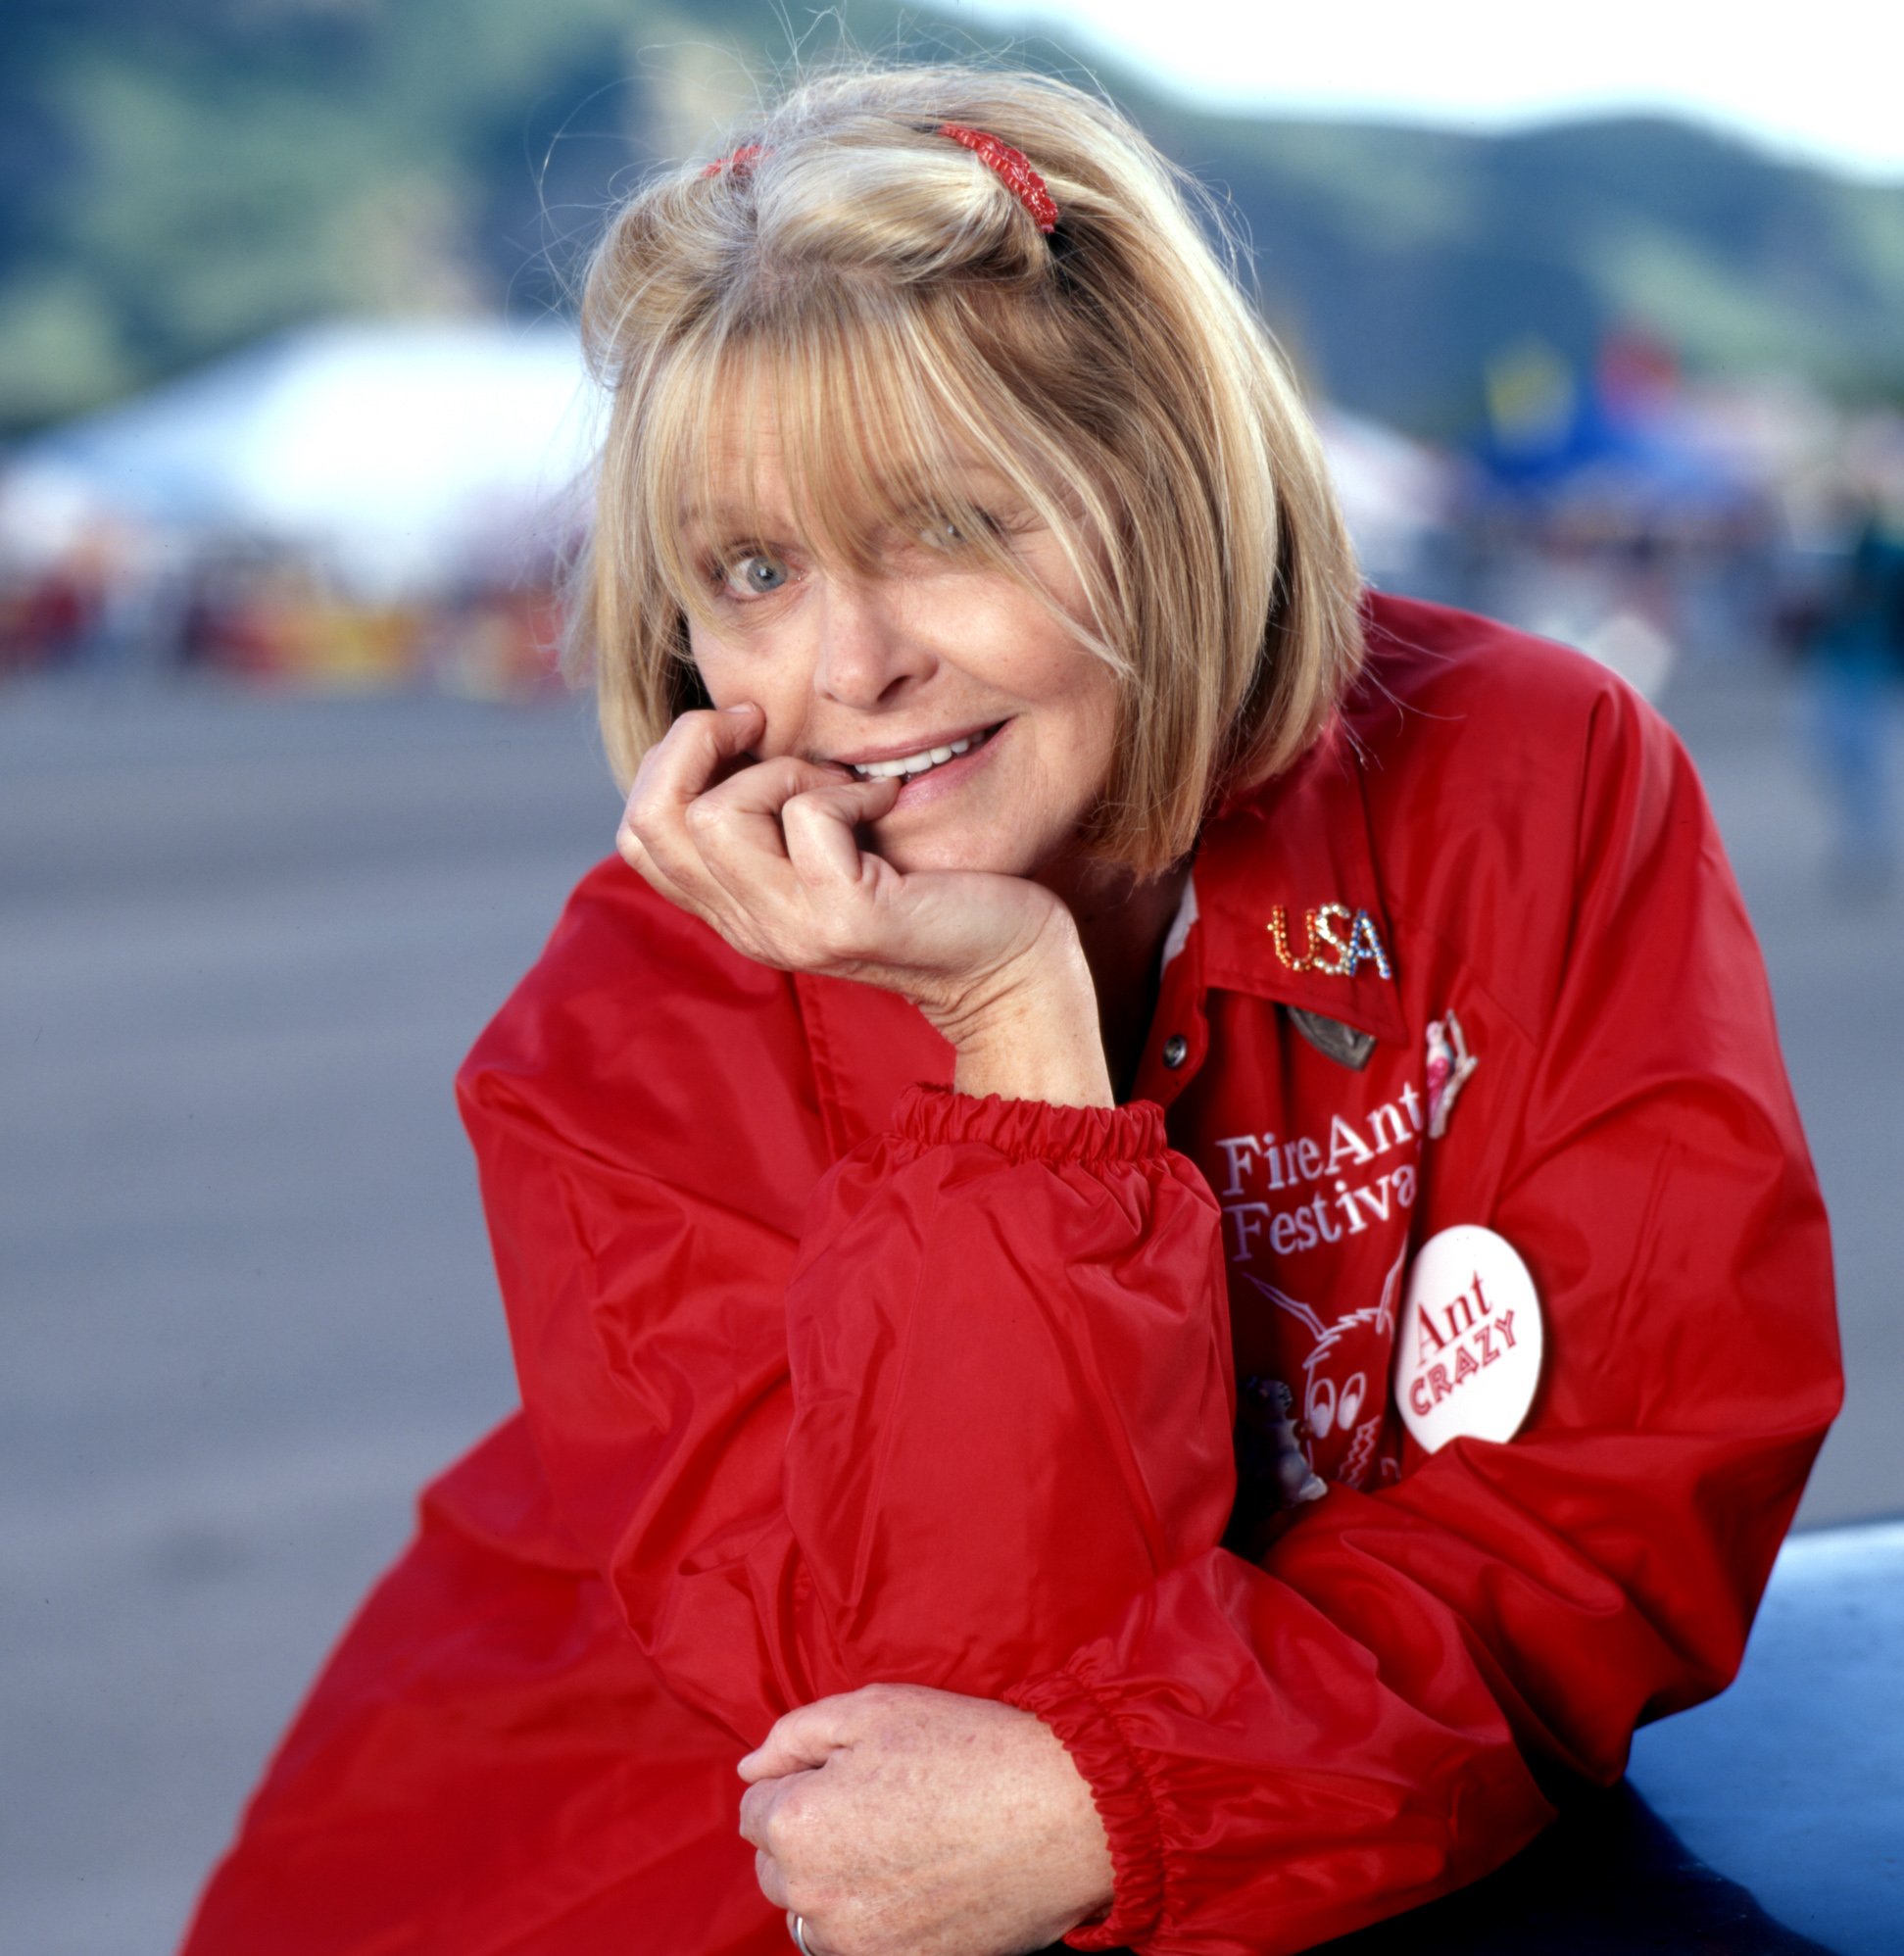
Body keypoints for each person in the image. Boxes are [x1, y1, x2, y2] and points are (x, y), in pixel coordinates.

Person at [179, 63, 1840, 1956]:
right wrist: (1010, 1039)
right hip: (631, 1865)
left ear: (1166, 477)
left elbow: (1630, 1492)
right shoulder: (624, 1027)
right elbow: (929, 1730)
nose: (853, 664)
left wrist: (1137, 1792)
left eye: (950, 526)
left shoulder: (1534, 780)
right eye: (754, 569)